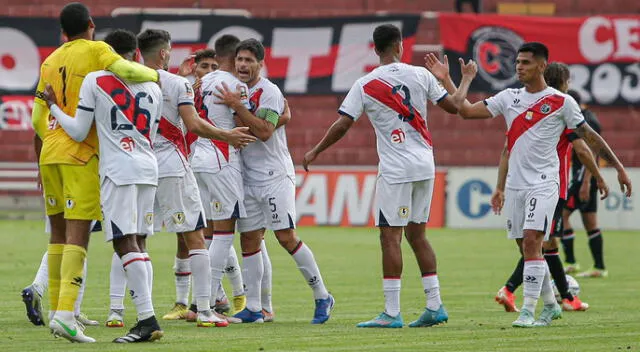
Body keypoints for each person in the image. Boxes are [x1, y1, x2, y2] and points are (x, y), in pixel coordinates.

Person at [425, 42, 631, 328]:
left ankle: (528, 312)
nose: (519, 67)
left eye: (526, 63)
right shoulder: (509, 98)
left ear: (542, 66)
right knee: (527, 248)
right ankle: (550, 305)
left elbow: (589, 138)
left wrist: (617, 169)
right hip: (516, 186)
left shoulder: (562, 102)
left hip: (546, 183)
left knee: (534, 241)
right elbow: (466, 111)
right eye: (518, 62)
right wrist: (458, 79)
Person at [303, 24, 475, 328]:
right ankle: (434, 305)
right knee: (417, 235)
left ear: (375, 49)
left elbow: (343, 124)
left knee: (390, 236)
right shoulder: (421, 75)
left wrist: (316, 151)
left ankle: (392, 312)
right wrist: (454, 80)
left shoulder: (366, 84)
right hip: (425, 165)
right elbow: (454, 108)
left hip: (396, 170)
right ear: (400, 47)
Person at [31, 2, 160, 342]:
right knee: (79, 234)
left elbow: (35, 119)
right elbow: (128, 72)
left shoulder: (49, 60)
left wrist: (52, 142)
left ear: (62, 32)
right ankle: (66, 314)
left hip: (51, 151)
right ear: (91, 24)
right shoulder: (98, 50)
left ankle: (61, 310)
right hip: (82, 154)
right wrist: (156, 74)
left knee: (56, 235)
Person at [215, 38, 331, 324]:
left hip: (275, 175)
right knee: (250, 240)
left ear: (260, 64)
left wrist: (237, 107)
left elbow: (265, 130)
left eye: (248, 61)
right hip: (245, 176)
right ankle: (254, 307)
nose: (243, 65)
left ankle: (322, 295)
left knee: (285, 237)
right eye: (239, 60)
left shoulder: (269, 92)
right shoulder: (234, 89)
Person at [492, 63, 599, 313]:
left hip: (531, 185)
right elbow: (583, 148)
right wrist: (598, 178)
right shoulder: (560, 110)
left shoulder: (535, 108)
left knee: (541, 244)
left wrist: (500, 186)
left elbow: (507, 150)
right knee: (541, 244)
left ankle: (557, 300)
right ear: (563, 82)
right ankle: (518, 291)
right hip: (551, 186)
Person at [163, 48, 247, 321]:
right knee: (220, 234)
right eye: (204, 66)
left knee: (209, 234)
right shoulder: (214, 85)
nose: (210, 71)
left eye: (213, 66)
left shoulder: (191, 88)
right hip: (217, 158)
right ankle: (207, 303)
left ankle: (224, 297)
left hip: (196, 161)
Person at [561, 90, 607, 278]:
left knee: (562, 216)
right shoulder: (585, 117)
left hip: (582, 175)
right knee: (590, 222)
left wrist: (586, 181)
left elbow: (592, 153)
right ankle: (599, 267)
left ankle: (571, 262)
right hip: (583, 175)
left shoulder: (587, 121)